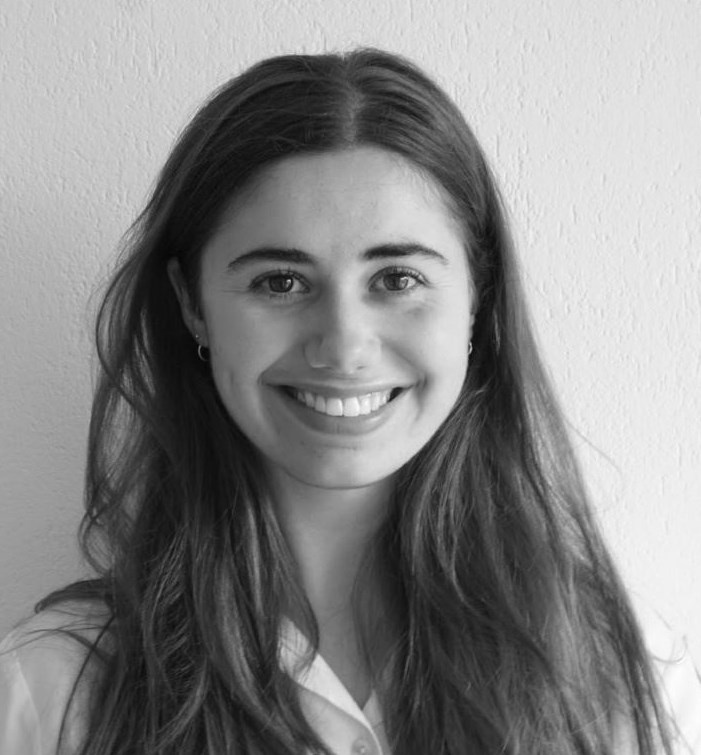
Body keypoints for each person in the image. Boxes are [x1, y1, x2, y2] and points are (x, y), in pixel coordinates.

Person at [0, 48, 699, 755]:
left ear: (476, 297)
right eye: (280, 282)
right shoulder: (51, 690)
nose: (342, 347)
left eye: (396, 279)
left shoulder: (626, 678)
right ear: (192, 305)